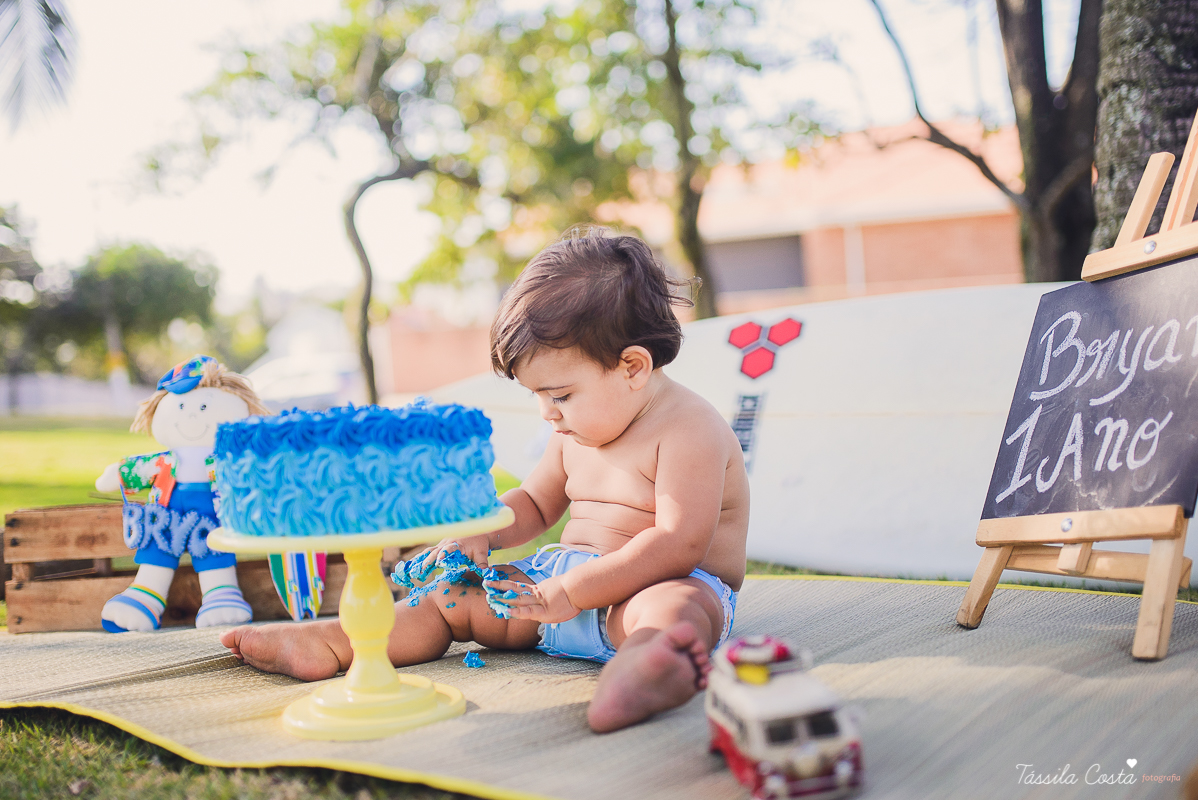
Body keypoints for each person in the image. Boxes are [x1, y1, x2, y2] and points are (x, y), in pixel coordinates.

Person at [221, 228, 750, 732]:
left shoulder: (690, 429)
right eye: (537, 396)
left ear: (633, 366)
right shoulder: (575, 431)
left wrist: (575, 590)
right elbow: (536, 504)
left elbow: (678, 544)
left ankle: (647, 669)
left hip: (648, 589)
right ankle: (339, 641)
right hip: (552, 594)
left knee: (676, 611)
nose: (548, 413)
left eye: (560, 394)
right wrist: (483, 533)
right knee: (451, 596)